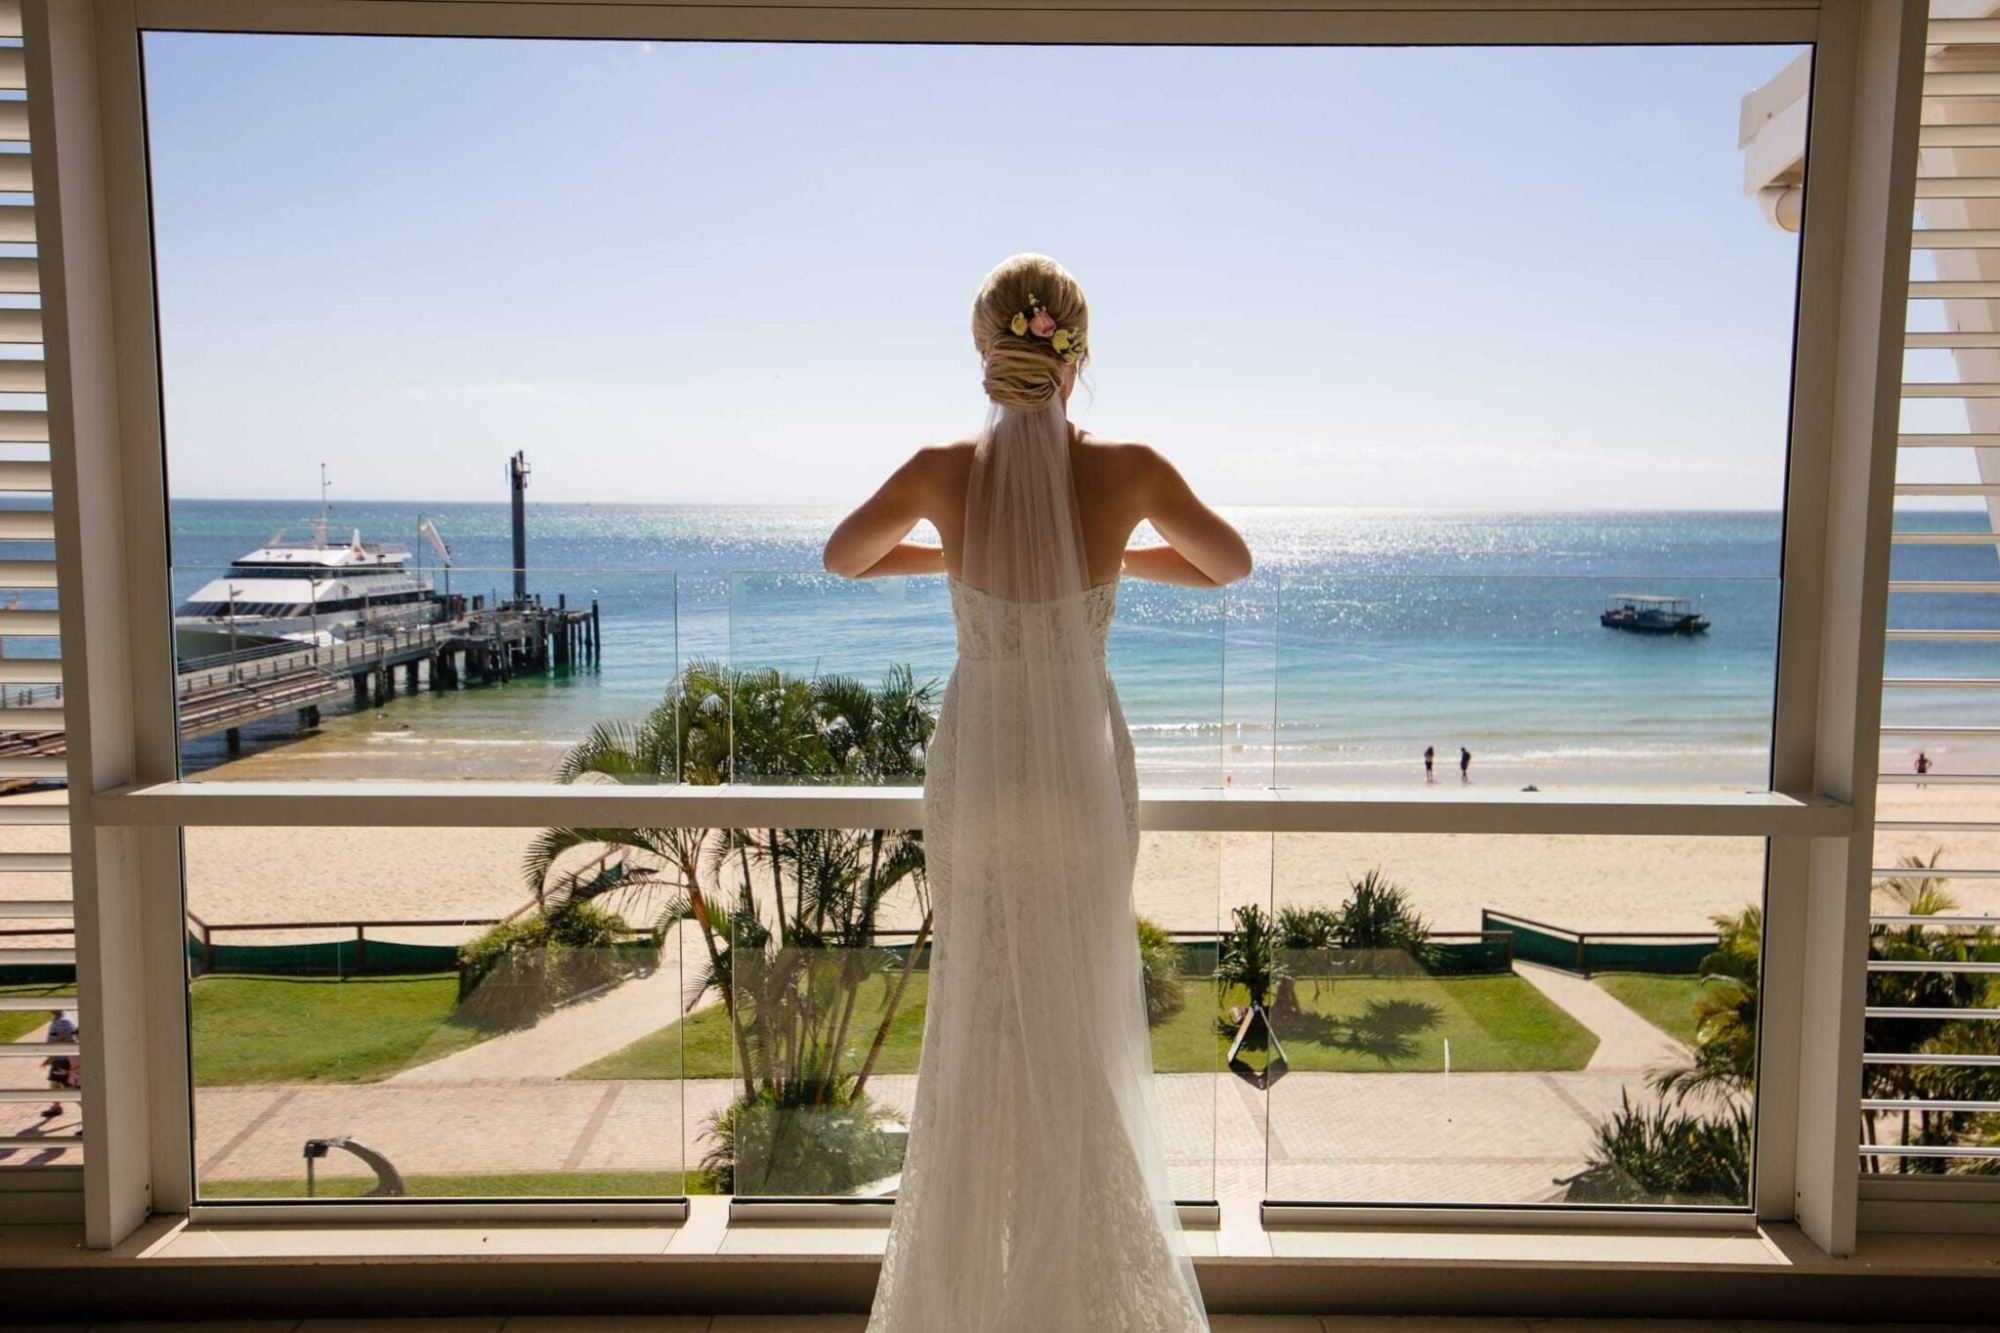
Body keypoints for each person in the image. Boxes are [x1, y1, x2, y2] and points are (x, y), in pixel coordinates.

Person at [825, 254, 1249, 1331]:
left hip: (979, 765)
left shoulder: (937, 467)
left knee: (979, 1012)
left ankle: (967, 1286)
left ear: (986, 352)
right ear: (1078, 353)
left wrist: (950, 563)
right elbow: (1226, 564)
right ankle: (1084, 1285)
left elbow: (844, 555)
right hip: (1073, 762)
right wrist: (1110, 562)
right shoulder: (1132, 468)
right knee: (1074, 1017)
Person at [41, 1009, 76, 1120]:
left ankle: (89, 1111)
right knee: (55, 1083)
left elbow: (63, 1040)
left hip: (63, 1058)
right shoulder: (59, 1016)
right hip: (60, 1057)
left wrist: (50, 1058)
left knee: (68, 1087)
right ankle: (56, 1107)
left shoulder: (63, 1021)